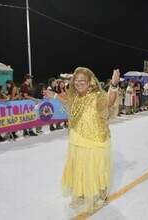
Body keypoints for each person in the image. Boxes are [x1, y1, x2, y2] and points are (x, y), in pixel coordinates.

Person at [45, 67, 120, 213]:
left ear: (89, 82)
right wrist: (54, 96)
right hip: (77, 140)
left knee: (96, 169)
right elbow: (66, 100)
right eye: (76, 80)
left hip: (95, 141)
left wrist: (114, 85)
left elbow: (109, 102)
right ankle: (81, 193)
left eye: (82, 80)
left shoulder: (97, 96)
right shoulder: (74, 97)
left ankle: (100, 195)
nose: (78, 83)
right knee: (79, 168)